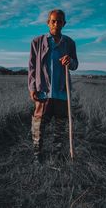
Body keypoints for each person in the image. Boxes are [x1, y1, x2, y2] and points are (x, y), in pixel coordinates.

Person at [28, 9, 78, 164]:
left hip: (63, 92)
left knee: (60, 126)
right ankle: (37, 155)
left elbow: (75, 65)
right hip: (43, 92)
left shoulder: (69, 43)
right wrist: (32, 87)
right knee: (38, 125)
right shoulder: (37, 42)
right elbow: (31, 67)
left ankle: (57, 154)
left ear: (64, 23)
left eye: (60, 21)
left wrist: (70, 61)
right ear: (48, 23)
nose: (56, 24)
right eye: (53, 21)